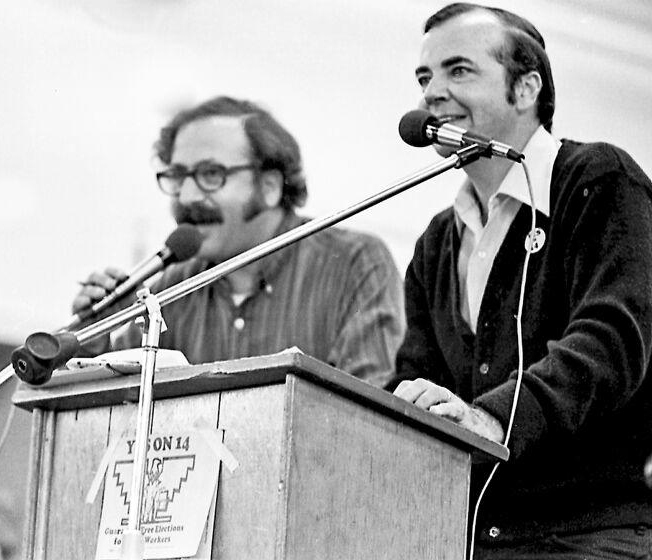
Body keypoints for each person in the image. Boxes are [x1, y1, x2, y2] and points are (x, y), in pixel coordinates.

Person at [389, 3, 652, 558]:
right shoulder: (437, 241)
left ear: (526, 88)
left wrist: (491, 416)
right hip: (465, 539)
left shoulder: (599, 179)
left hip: (586, 535)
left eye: (458, 70)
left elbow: (612, 340)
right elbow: (416, 378)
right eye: (424, 76)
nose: (432, 92)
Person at [72, 96, 404, 386]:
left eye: (211, 175)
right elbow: (116, 408)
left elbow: (367, 417)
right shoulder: (172, 287)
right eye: (177, 177)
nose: (186, 196)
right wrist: (92, 339)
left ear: (270, 186)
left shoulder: (355, 263)